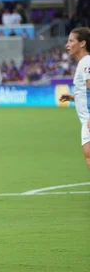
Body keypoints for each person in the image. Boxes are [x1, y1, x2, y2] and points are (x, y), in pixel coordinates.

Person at [59, 27, 90, 168]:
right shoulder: (84, 62)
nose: (67, 45)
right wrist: (74, 97)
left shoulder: (86, 62)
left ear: (82, 43)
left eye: (71, 41)